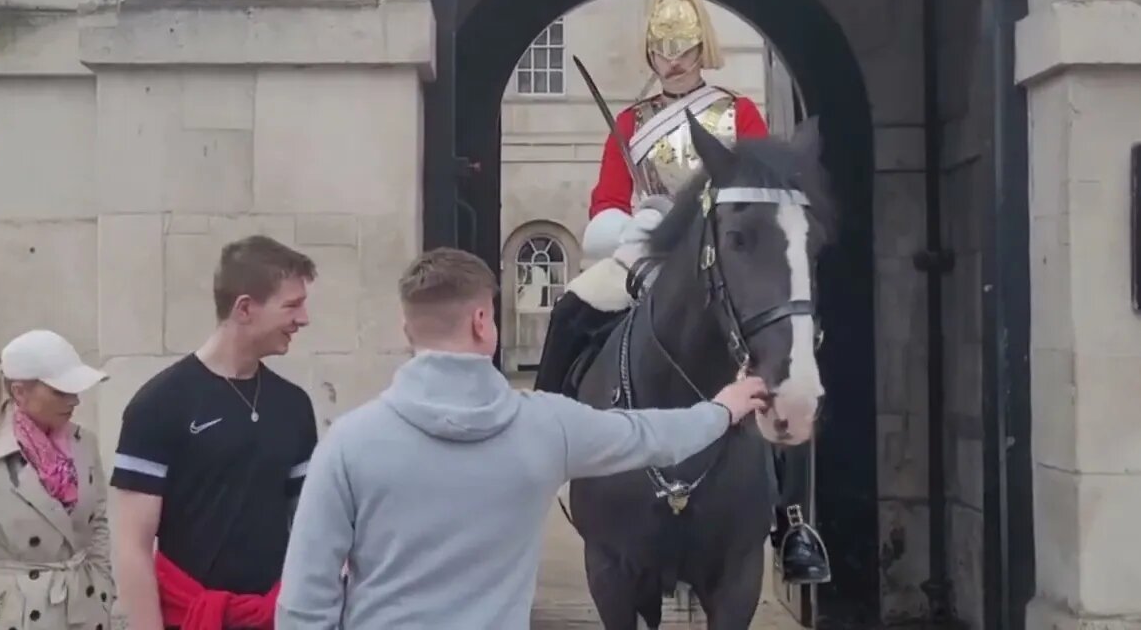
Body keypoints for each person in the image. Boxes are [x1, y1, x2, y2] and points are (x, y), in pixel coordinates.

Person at [532, 0, 831, 585]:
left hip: (725, 256)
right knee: (574, 309)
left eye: (684, 47)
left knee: (792, 352)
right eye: (661, 49)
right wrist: (634, 222)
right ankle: (542, 447)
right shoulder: (632, 127)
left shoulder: (738, 113)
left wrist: (701, 223)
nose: (673, 60)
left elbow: (760, 190)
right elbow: (603, 205)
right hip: (645, 251)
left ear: (703, 47)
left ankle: (790, 519)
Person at [274, 247, 770, 629]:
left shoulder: (346, 444)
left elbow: (304, 600)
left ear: (408, 328)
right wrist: (723, 409)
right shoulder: (545, 427)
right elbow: (651, 434)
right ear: (481, 321)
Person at [110, 235, 320, 630]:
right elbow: (132, 546)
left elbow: (311, 526)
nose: (303, 319)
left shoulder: (294, 405)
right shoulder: (158, 404)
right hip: (188, 618)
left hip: (276, 617)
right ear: (244, 309)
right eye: (292, 305)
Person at [0, 329, 114, 630]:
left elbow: (98, 521)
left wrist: (104, 586)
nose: (75, 400)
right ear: (20, 392)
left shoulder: (84, 444)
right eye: (60, 391)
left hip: (84, 608)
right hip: (18, 614)